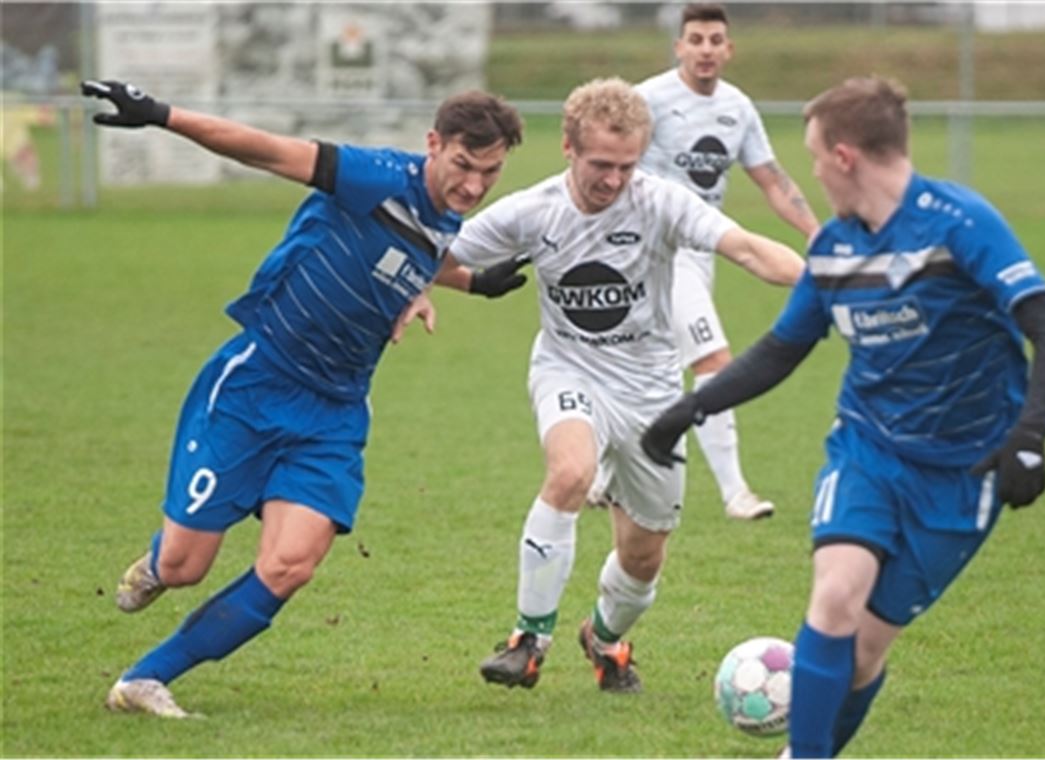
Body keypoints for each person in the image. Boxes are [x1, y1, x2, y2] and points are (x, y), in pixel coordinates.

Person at [641, 76, 1045, 755]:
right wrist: (690, 408)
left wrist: (1030, 437)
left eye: (816, 158)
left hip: (965, 471)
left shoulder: (960, 223)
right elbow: (782, 350)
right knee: (836, 595)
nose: (813, 175)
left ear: (844, 157)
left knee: (865, 653)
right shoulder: (834, 250)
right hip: (868, 452)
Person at [80, 79, 526, 718]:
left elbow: (422, 252)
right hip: (257, 385)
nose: (475, 186)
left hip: (334, 413)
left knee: (290, 565)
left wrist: (472, 283)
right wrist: (159, 114)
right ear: (433, 143)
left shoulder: (445, 215)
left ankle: (146, 678)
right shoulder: (374, 177)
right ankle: (158, 561)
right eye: (464, 165)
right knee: (184, 567)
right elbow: (263, 149)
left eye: (491, 172)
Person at [436, 77, 804, 693]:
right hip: (568, 369)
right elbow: (433, 253)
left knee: (643, 556)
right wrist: (449, 287)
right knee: (570, 474)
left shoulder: (661, 202)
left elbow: (745, 248)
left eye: (627, 166)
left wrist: (824, 280)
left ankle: (604, 639)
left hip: (652, 393)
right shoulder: (534, 210)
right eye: (601, 164)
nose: (613, 180)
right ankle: (528, 640)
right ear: (569, 148)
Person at [629, 2, 819, 520]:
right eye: (696, 39)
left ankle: (606, 474)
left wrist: (817, 233)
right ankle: (736, 493)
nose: (706, 49)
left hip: (705, 252)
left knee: (654, 364)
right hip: (659, 251)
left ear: (729, 49)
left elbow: (772, 181)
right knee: (713, 360)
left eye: (715, 40)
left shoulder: (738, 108)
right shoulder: (649, 100)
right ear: (679, 47)